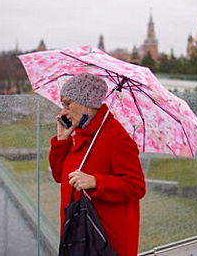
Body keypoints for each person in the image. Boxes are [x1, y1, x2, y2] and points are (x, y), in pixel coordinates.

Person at [49, 73, 146, 256]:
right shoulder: (78, 134)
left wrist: (96, 182)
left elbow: (136, 187)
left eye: (68, 104)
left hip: (104, 241)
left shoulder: (115, 136)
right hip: (78, 235)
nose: (63, 112)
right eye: (63, 105)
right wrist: (61, 140)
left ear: (86, 103)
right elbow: (58, 175)